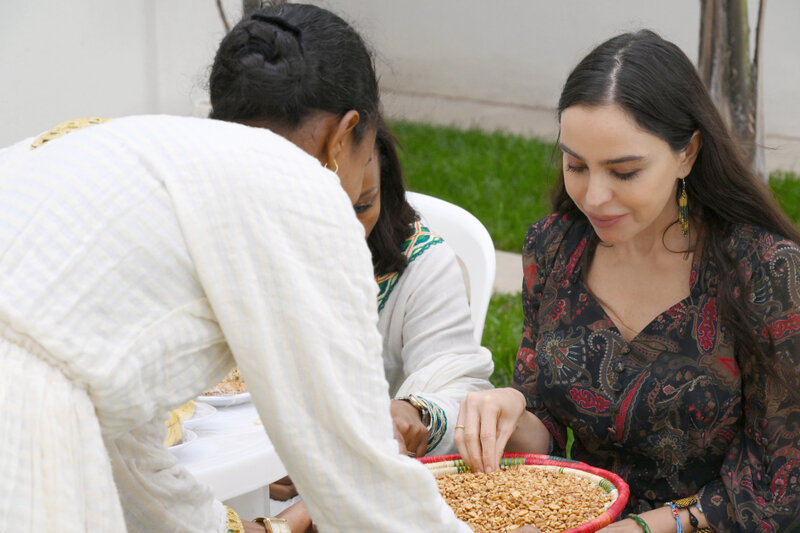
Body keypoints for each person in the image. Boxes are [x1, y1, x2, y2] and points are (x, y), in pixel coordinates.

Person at [0, 4, 477, 532]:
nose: (354, 210)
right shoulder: (300, 192)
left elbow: (128, 446)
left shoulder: (127, 145)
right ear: (343, 138)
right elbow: (362, 485)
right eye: (363, 175)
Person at [455, 30, 800, 533]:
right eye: (576, 165)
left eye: (624, 172)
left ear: (687, 153)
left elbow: (777, 482)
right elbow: (544, 431)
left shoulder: (765, 270)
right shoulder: (554, 249)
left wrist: (641, 527)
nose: (594, 197)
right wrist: (512, 411)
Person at [269, 123, 495, 505]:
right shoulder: (232, 250)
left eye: (362, 205)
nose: (346, 230)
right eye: (317, 208)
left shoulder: (420, 264)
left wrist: (414, 414)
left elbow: (462, 389)